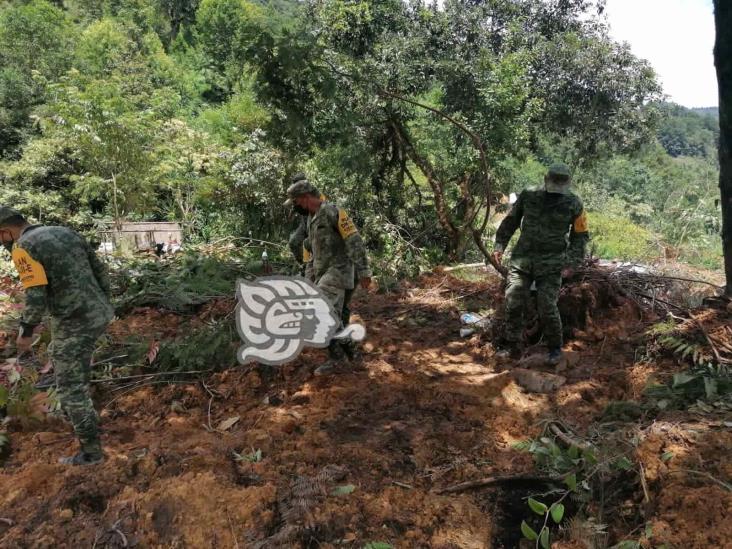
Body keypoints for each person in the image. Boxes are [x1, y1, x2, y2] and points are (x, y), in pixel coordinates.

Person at [0, 207, 114, 465]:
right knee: (77, 369)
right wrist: (105, 304)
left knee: (69, 388)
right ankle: (89, 420)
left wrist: (26, 331)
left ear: (6, 231)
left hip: (73, 320)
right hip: (98, 313)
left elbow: (36, 293)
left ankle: (91, 453)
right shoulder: (65, 231)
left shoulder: (23, 247)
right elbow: (100, 269)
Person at [491, 163, 589, 365]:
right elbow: (510, 221)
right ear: (546, 180)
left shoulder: (574, 204)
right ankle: (512, 346)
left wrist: (571, 264)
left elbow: (580, 237)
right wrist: (499, 245)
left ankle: (555, 349)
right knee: (513, 299)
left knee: (547, 306)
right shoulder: (529, 195)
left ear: (568, 184)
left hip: (552, 264)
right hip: (522, 259)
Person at [284, 178, 371, 375]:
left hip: (340, 271)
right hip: (324, 274)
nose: (295, 207)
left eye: (296, 202)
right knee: (337, 316)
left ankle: (338, 359)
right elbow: (311, 252)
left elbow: (354, 240)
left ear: (305, 198)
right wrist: (309, 280)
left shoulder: (332, 211)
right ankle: (352, 355)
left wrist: (364, 271)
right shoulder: (310, 218)